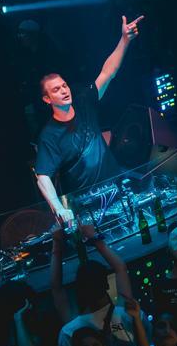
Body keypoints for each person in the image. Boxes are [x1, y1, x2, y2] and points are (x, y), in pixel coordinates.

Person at [35, 14, 145, 224]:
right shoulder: (49, 135)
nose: (64, 91)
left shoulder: (84, 103)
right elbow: (43, 176)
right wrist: (59, 209)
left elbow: (108, 72)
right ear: (47, 99)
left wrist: (125, 40)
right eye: (56, 90)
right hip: (87, 209)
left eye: (64, 85)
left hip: (115, 192)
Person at [54, 225, 142, 346]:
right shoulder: (127, 313)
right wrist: (94, 238)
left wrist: (56, 244)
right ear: (107, 284)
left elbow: (56, 289)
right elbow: (120, 268)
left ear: (79, 290)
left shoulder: (69, 331)